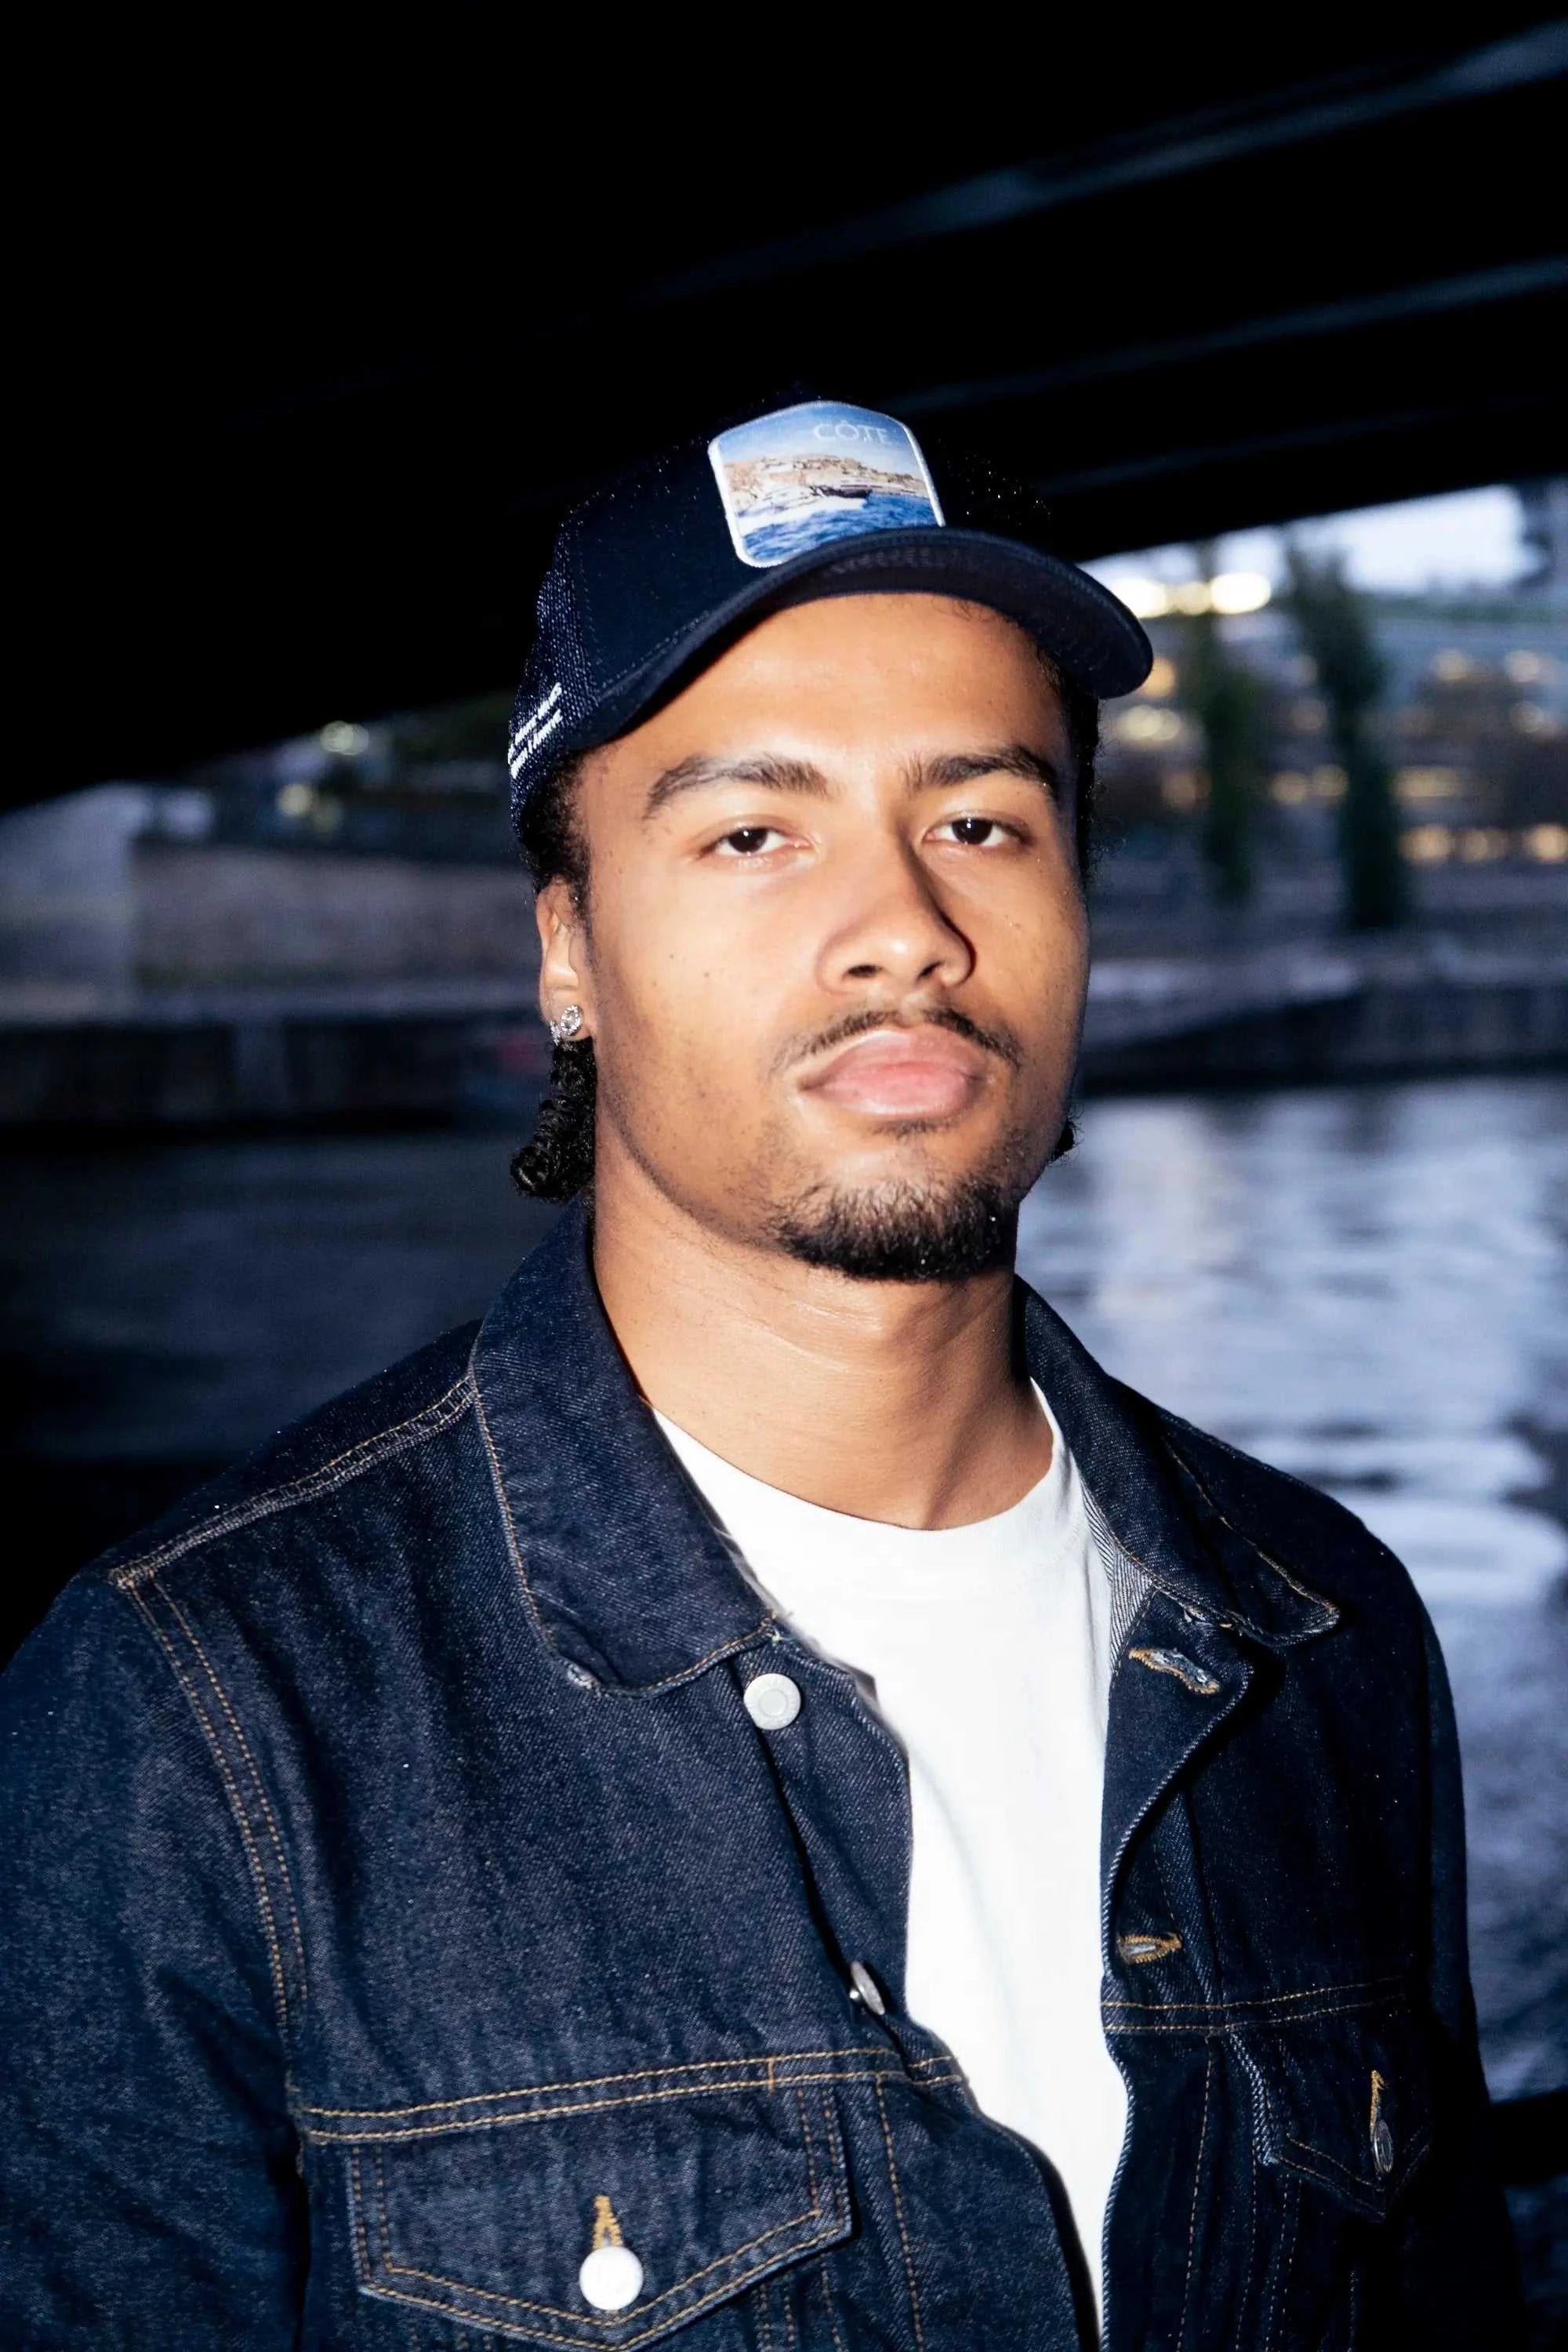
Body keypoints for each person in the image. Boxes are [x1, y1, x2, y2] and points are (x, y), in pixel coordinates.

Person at [1, 399, 1520, 2348]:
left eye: (980, 822)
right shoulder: (192, 1719)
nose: (900, 928)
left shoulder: (1324, 1633)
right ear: (569, 947)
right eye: (752, 833)